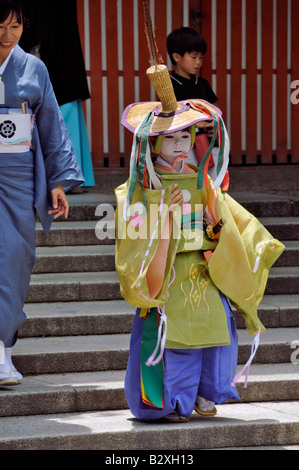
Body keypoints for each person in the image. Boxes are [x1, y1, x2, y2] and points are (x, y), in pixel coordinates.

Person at [115, 58, 285, 421]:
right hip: (167, 271)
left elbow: (222, 225)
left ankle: (206, 392)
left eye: (184, 137)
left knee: (214, 329)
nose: (179, 145)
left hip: (204, 267)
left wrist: (216, 226)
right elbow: (134, 239)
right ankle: (173, 399)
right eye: (170, 138)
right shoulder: (138, 189)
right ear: (153, 142)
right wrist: (164, 218)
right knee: (174, 338)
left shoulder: (202, 180)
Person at [0, 0, 84, 386]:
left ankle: (3, 349)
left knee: (14, 258)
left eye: (14, 27)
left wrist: (56, 182)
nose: (6, 35)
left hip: (17, 175)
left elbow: (50, 123)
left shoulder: (34, 68)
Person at [19, 0, 95, 190]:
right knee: (63, 106)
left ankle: (59, 177)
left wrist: (34, 47)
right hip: (62, 51)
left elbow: (40, 15)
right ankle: (70, 175)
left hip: (44, 51)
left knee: (44, 109)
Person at [166, 26, 229, 190]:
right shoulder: (169, 86)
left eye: (201, 58)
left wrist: (213, 124)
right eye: (194, 57)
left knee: (213, 186)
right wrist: (194, 123)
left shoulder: (202, 84)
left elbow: (215, 112)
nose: (199, 62)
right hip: (182, 146)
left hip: (208, 143)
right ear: (176, 57)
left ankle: (213, 214)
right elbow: (167, 117)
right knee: (187, 186)